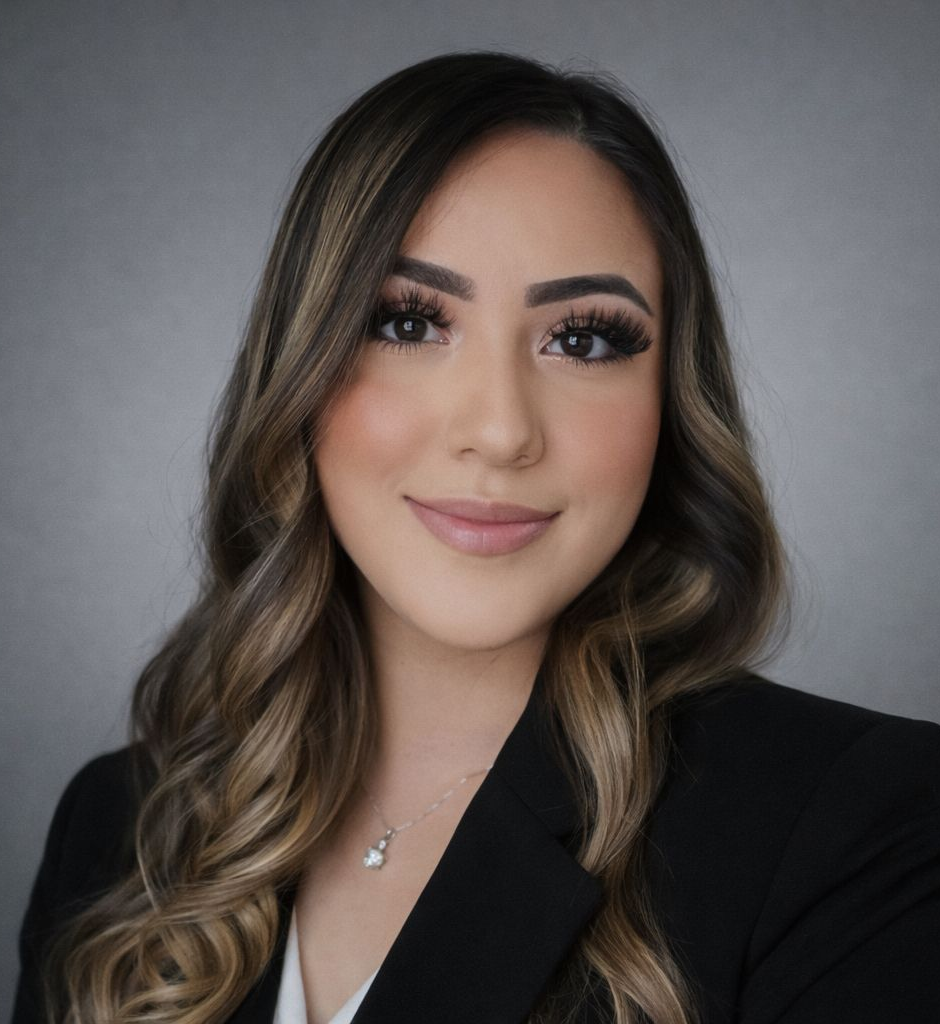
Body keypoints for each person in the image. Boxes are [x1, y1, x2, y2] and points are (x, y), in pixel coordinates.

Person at [12, 51, 940, 1024]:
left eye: (583, 339)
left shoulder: (861, 825)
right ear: (300, 367)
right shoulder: (121, 826)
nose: (500, 430)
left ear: (669, 401)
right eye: (409, 322)